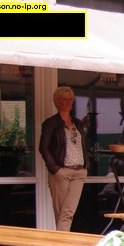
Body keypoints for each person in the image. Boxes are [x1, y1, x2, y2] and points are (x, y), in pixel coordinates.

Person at [38, 86, 87, 232]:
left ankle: (61, 245)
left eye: (70, 99)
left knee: (68, 212)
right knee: (62, 214)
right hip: (62, 172)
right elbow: (43, 147)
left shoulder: (77, 123)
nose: (68, 102)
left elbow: (83, 145)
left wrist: (86, 166)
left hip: (79, 172)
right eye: (64, 99)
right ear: (57, 101)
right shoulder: (51, 123)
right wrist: (55, 169)